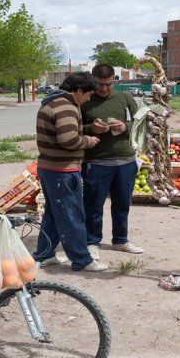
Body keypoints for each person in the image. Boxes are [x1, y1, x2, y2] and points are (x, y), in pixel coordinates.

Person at [34, 72, 108, 272]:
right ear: (78, 90)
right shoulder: (66, 105)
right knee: (72, 215)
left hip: (49, 168)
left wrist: (89, 128)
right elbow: (67, 139)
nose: (89, 98)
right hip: (62, 171)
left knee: (53, 214)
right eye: (88, 94)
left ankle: (45, 254)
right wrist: (88, 141)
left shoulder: (53, 102)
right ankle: (82, 260)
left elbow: (64, 130)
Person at [81, 64, 144, 261]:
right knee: (93, 206)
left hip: (126, 160)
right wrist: (91, 128)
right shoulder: (85, 100)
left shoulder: (125, 98)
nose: (104, 89)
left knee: (122, 204)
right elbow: (74, 127)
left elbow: (143, 122)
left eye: (108, 84)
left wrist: (125, 126)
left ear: (115, 81)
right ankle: (92, 242)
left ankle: (120, 240)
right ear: (93, 80)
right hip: (97, 162)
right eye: (99, 84)